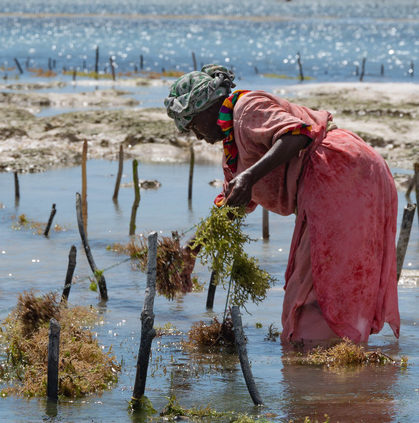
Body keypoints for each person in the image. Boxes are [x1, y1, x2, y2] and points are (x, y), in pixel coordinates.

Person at [165, 65, 400, 345]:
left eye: (193, 126)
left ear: (207, 108)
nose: (197, 136)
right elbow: (230, 204)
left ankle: (321, 357)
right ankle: (338, 366)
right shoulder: (234, 144)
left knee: (319, 282)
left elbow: (297, 134)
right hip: (336, 180)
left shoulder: (247, 108)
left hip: (341, 171)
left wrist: (250, 177)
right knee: (324, 279)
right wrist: (192, 249)